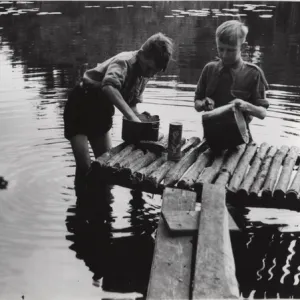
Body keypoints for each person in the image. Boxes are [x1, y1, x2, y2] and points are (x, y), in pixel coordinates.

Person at [64, 32, 174, 196]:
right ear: (142, 54)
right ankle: (83, 204)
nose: (151, 74)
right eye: (150, 68)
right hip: (80, 105)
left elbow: (132, 105)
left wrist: (142, 122)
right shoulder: (124, 62)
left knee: (106, 166)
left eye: (155, 72)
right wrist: (131, 117)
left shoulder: (143, 75)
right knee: (85, 167)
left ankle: (103, 202)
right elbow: (109, 87)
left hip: (101, 110)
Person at [194, 20, 269, 126]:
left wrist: (244, 105)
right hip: (210, 134)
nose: (224, 55)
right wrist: (203, 104)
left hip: (241, 138)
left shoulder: (254, 74)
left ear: (243, 47)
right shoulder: (209, 69)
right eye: (220, 49)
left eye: (230, 50)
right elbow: (197, 105)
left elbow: (262, 113)